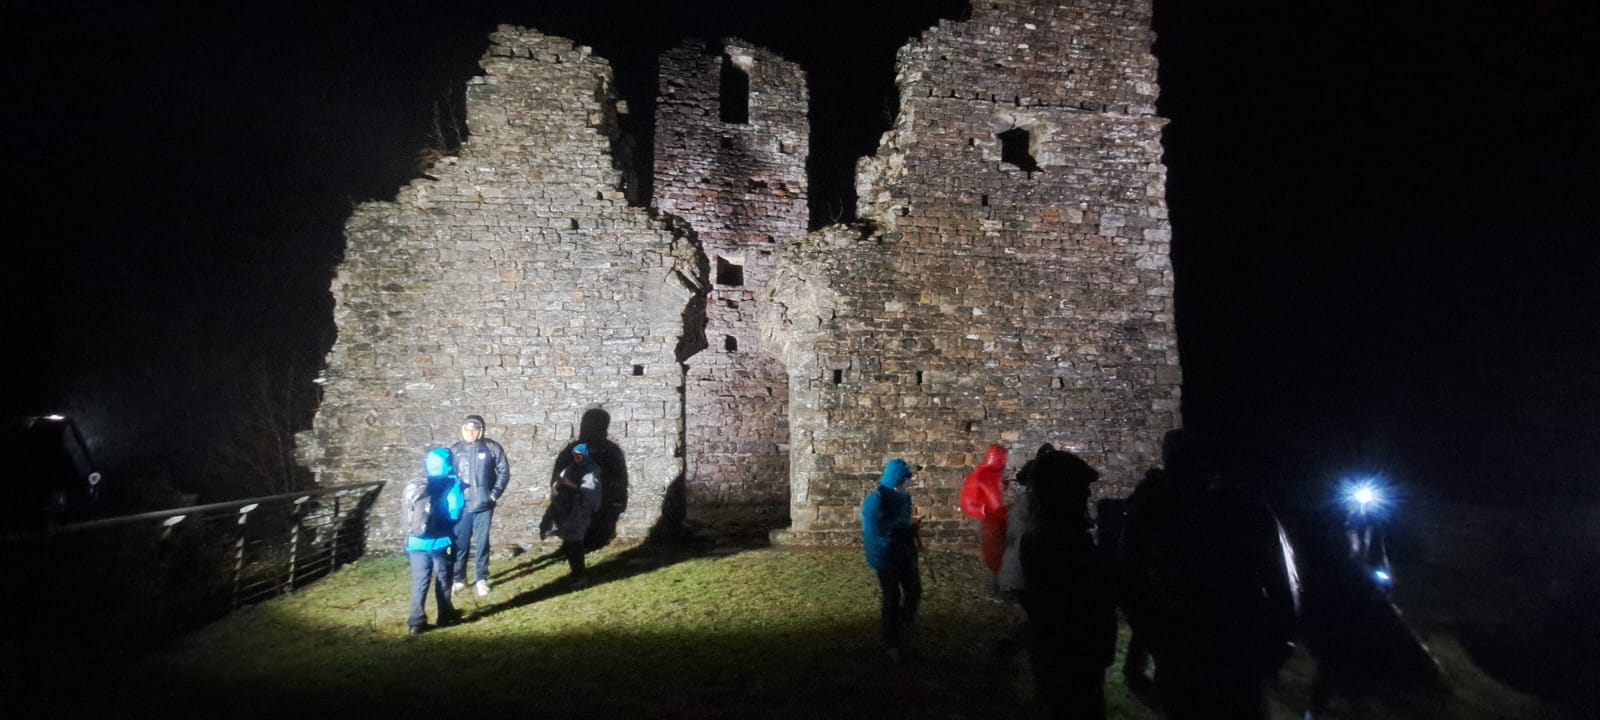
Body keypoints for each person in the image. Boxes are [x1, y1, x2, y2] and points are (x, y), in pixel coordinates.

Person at [1122, 429, 1299, 720]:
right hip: (1190, 647)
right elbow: (1131, 582)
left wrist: (1276, 646)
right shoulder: (1152, 511)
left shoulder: (1243, 509)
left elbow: (1281, 581)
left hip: (1228, 646)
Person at [1014, 449, 1118, 719]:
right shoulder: (1058, 539)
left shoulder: (1052, 533)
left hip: (1062, 650)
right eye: (1081, 488)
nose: (1086, 495)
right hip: (1071, 652)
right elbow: (1082, 596)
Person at [861, 458, 922, 662]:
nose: (906, 483)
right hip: (886, 556)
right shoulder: (876, 500)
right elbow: (876, 530)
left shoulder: (902, 496)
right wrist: (906, 529)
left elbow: (899, 521)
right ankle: (892, 642)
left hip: (904, 553)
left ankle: (904, 624)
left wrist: (909, 527)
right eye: (904, 478)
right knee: (892, 597)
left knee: (914, 590)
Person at [403, 447, 466, 636]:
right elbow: (455, 511)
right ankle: (445, 615)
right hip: (441, 543)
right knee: (443, 580)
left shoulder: (416, 484)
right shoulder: (451, 483)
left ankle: (416, 622)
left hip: (415, 543)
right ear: (448, 463)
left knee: (419, 581)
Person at [450, 414, 511, 598]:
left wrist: (493, 494)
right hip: (462, 505)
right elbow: (449, 475)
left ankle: (481, 578)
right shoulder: (456, 450)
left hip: (484, 505)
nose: (470, 433)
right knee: (460, 544)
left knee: (482, 543)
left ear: (481, 430)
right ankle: (459, 578)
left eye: (474, 429)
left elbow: (504, 471)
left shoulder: (492, 447)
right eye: (467, 429)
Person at [547, 443, 602, 582]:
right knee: (570, 541)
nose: (576, 458)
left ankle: (580, 574)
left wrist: (570, 485)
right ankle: (576, 572)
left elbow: (589, 491)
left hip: (581, 509)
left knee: (575, 541)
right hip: (568, 509)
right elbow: (557, 484)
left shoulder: (591, 470)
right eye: (574, 455)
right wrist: (558, 486)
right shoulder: (570, 469)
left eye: (579, 455)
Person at [960, 444, 1010, 584]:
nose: (1004, 462)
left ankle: (997, 577)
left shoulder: (991, 474)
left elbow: (992, 494)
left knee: (995, 548)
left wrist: (1002, 487)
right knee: (991, 550)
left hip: (993, 518)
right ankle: (993, 580)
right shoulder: (982, 475)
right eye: (1003, 459)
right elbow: (969, 500)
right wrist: (986, 512)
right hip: (987, 518)